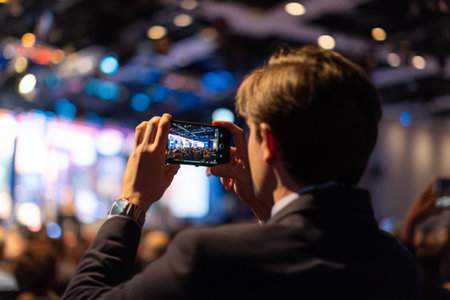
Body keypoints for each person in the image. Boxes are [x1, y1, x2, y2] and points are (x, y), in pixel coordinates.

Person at [62, 45, 422, 299]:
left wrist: (131, 203)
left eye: (249, 129)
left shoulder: (209, 257)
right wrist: (267, 210)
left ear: (268, 142)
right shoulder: (398, 264)